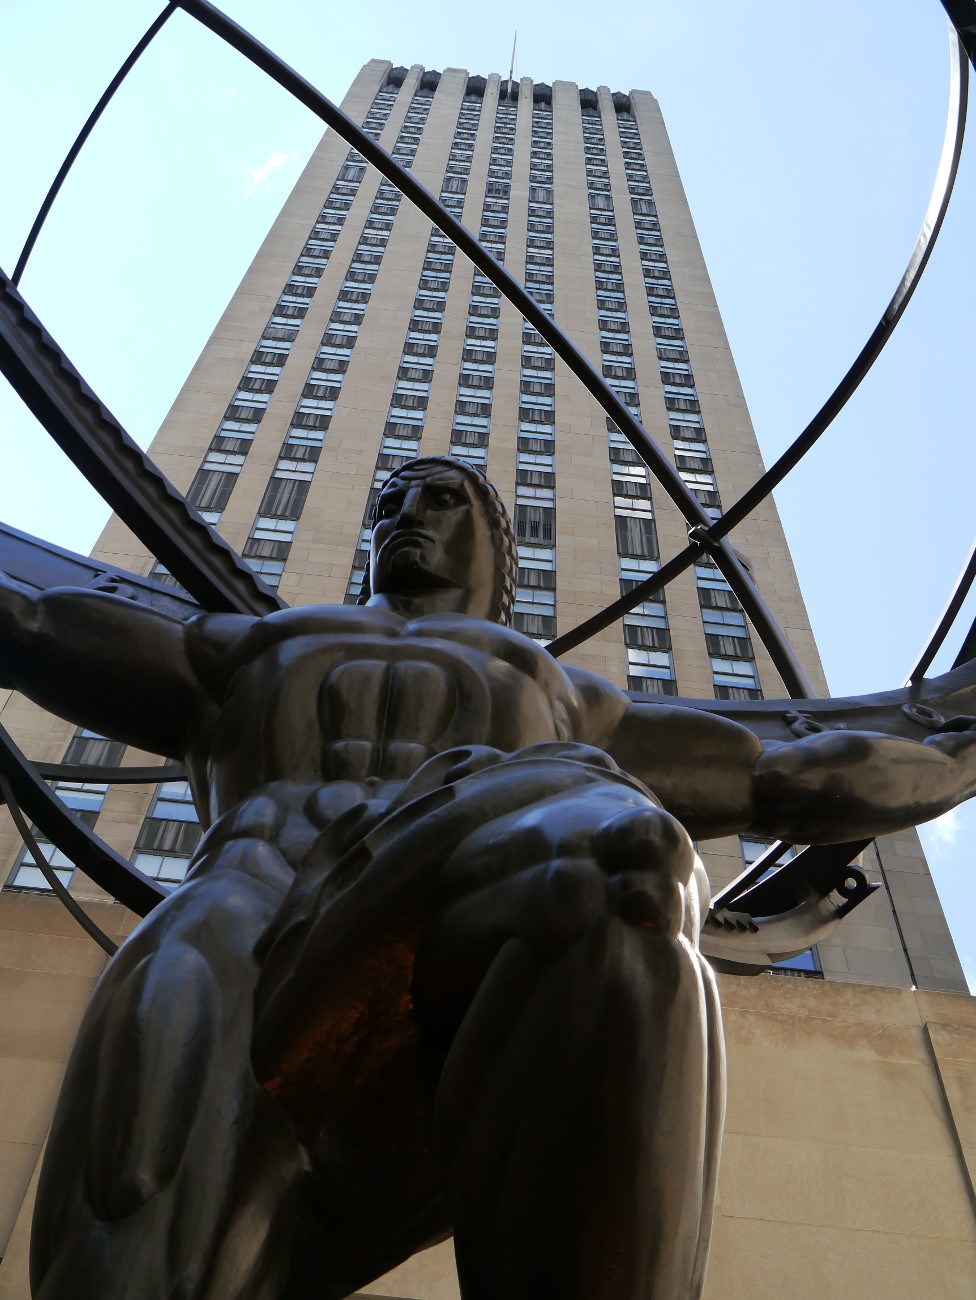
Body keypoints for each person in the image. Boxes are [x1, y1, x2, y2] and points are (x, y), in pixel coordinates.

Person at [4, 456, 976, 1300]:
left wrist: (959, 755)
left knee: (623, 862)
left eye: (440, 500)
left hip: (450, 910)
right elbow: (34, 621)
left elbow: (790, 773)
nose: (405, 515)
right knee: (149, 1157)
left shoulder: (566, 701)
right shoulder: (251, 648)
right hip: (246, 913)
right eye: (390, 505)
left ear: (502, 555)